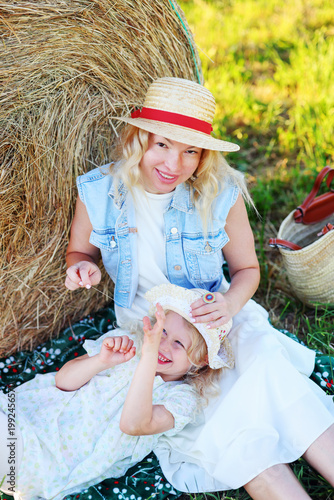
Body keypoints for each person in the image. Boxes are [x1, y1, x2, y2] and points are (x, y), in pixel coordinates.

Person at [64, 77, 334, 499]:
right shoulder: (99, 192)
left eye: (191, 150)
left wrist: (228, 304)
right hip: (154, 332)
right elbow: (79, 252)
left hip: (218, 314)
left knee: (273, 377)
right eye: (163, 145)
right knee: (227, 429)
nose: (175, 163)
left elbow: (247, 269)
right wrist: (84, 269)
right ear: (139, 138)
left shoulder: (218, 192)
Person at [0, 284, 230, 500]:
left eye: (179, 343)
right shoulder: (128, 344)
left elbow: (133, 425)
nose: (163, 344)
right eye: (163, 332)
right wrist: (100, 361)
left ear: (200, 361)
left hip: (46, 458)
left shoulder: (182, 399)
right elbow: (62, 381)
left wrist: (149, 357)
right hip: (26, 414)